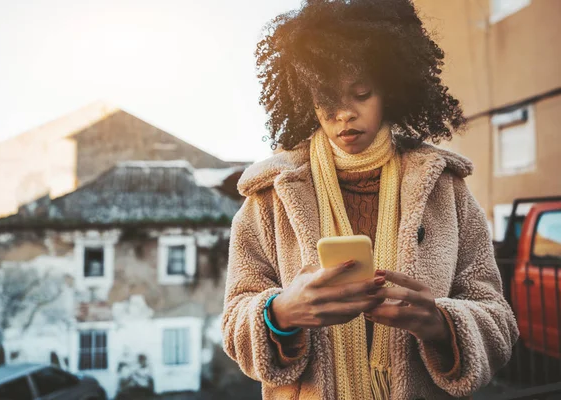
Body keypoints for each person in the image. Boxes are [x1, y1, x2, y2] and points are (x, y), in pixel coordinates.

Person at [221, 0, 519, 399]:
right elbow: (233, 323)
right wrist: (279, 314)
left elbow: (499, 320)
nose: (344, 113)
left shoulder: (446, 189)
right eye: (326, 97)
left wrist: (439, 322)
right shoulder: (270, 195)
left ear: (391, 90)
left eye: (361, 93)